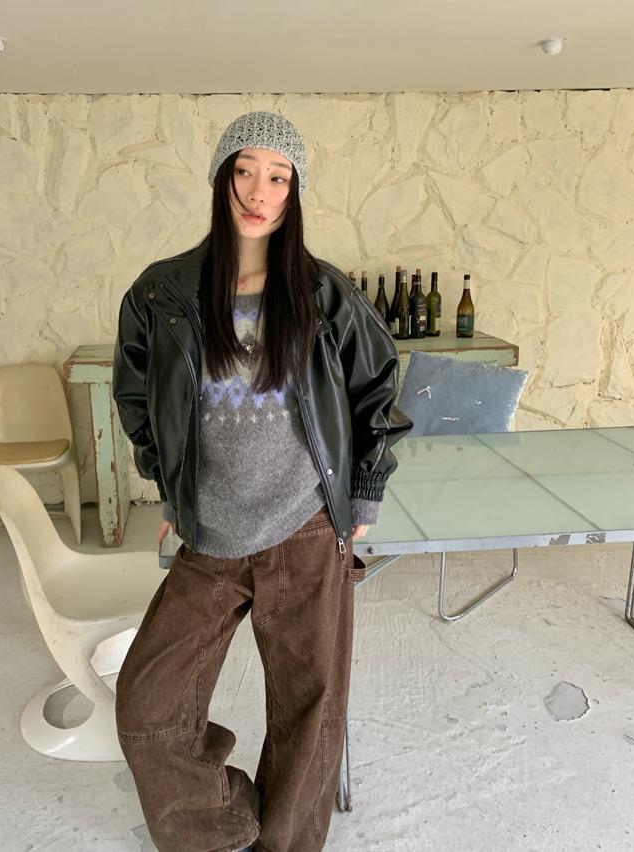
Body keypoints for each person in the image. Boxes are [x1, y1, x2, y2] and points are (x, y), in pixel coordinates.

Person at [112, 110, 413, 852]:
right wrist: (170, 484)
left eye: (278, 177)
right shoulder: (161, 293)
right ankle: (224, 822)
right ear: (222, 178)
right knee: (148, 702)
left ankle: (288, 844)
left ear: (294, 191)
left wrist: (364, 490)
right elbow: (137, 398)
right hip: (211, 535)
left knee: (310, 709)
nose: (258, 191)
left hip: (306, 526)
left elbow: (378, 388)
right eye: (245, 171)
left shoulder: (323, 293)